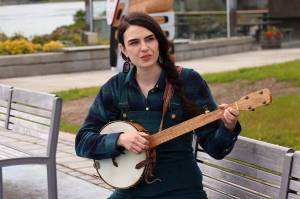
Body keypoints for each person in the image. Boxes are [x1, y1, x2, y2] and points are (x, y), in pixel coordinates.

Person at [75, 12, 241, 199]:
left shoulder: (188, 81)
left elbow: (215, 149)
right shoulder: (114, 88)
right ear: (123, 49)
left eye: (149, 39)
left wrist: (228, 126)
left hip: (181, 191)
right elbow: (82, 142)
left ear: (159, 42)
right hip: (130, 193)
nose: (144, 48)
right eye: (134, 42)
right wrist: (120, 140)